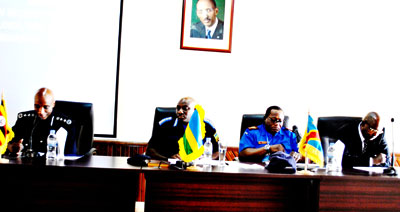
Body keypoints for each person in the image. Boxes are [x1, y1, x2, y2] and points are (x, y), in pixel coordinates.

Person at [6, 87, 76, 158]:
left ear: (53, 104)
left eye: (46, 107)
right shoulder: (24, 119)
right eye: (37, 106)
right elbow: (7, 143)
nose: (40, 111)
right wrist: (11, 147)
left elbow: (70, 155)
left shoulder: (64, 123)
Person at [146, 97, 219, 161]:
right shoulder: (165, 124)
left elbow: (218, 151)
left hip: (199, 170)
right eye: (178, 108)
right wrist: (168, 158)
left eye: (185, 108)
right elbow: (150, 150)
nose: (180, 112)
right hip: (170, 170)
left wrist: (205, 159)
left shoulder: (208, 125)